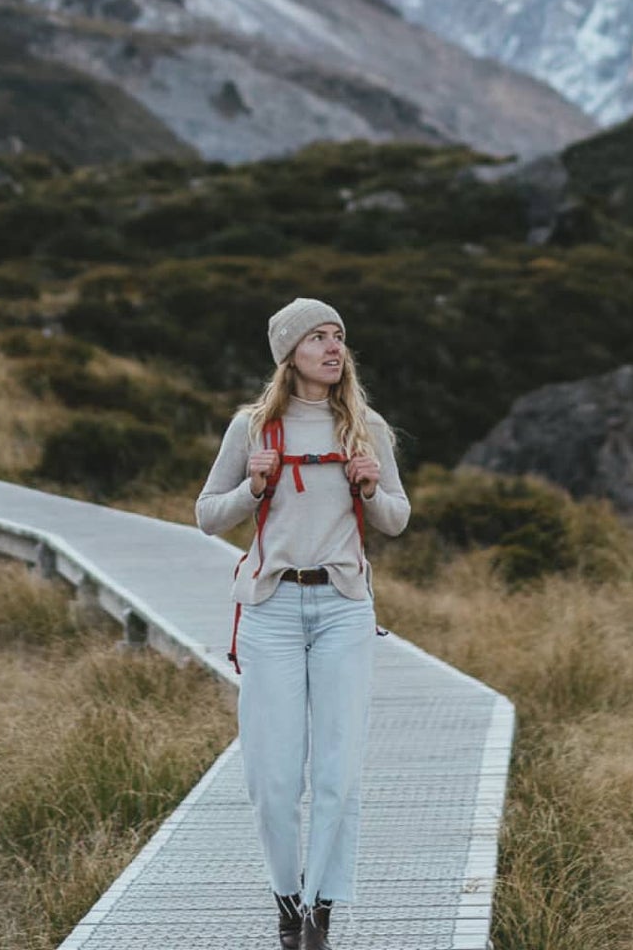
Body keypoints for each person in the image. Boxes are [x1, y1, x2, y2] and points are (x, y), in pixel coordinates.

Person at [196, 296, 410, 950]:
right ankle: (286, 894)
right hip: (271, 610)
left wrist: (373, 487)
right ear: (289, 353)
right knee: (273, 775)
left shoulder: (365, 425)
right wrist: (254, 488)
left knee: (338, 773)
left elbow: (396, 519)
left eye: (338, 336)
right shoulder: (252, 429)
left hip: (344, 608)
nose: (332, 347)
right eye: (316, 337)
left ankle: (320, 908)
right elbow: (208, 515)